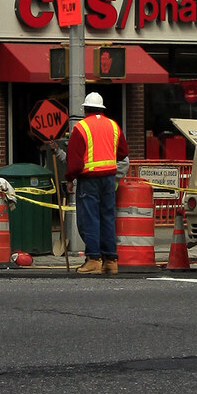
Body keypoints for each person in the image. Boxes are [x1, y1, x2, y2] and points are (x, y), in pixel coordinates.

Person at [66, 92, 125, 276]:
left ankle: (93, 260)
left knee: (90, 218)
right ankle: (111, 261)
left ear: (85, 109)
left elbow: (74, 160)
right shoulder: (113, 125)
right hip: (109, 179)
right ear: (102, 109)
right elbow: (123, 152)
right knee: (107, 217)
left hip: (89, 179)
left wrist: (70, 179)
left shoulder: (81, 127)